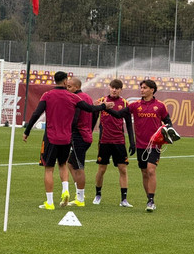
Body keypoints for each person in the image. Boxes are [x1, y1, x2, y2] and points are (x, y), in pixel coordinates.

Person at [23, 71, 113, 210]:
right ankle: (65, 190)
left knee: (49, 169)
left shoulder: (47, 95)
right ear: (65, 81)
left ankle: (50, 202)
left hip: (52, 137)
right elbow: (90, 109)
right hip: (67, 138)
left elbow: (36, 113)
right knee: (64, 164)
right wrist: (103, 106)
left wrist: (27, 131)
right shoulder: (74, 97)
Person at [107, 79, 180, 212]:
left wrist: (167, 131)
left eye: (145, 88)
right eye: (141, 87)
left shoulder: (160, 106)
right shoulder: (135, 105)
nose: (142, 90)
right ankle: (149, 198)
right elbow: (118, 115)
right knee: (144, 172)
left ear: (152, 90)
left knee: (151, 170)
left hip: (154, 145)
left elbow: (168, 122)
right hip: (141, 145)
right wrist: (105, 107)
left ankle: (151, 201)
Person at [92, 78, 135, 208]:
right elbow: (94, 118)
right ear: (109, 88)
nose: (114, 90)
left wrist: (132, 142)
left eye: (117, 88)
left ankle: (124, 199)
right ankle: (98, 195)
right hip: (104, 141)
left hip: (119, 141)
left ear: (121, 90)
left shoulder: (125, 103)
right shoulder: (102, 101)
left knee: (123, 169)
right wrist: (89, 132)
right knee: (102, 169)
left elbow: (129, 124)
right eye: (112, 87)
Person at [65, 77, 95, 207]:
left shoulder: (76, 98)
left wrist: (69, 130)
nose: (67, 89)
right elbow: (95, 114)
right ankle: (79, 191)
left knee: (79, 166)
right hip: (86, 134)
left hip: (79, 136)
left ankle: (80, 198)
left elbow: (75, 118)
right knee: (71, 163)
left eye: (70, 87)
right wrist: (90, 129)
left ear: (76, 87)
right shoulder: (88, 97)